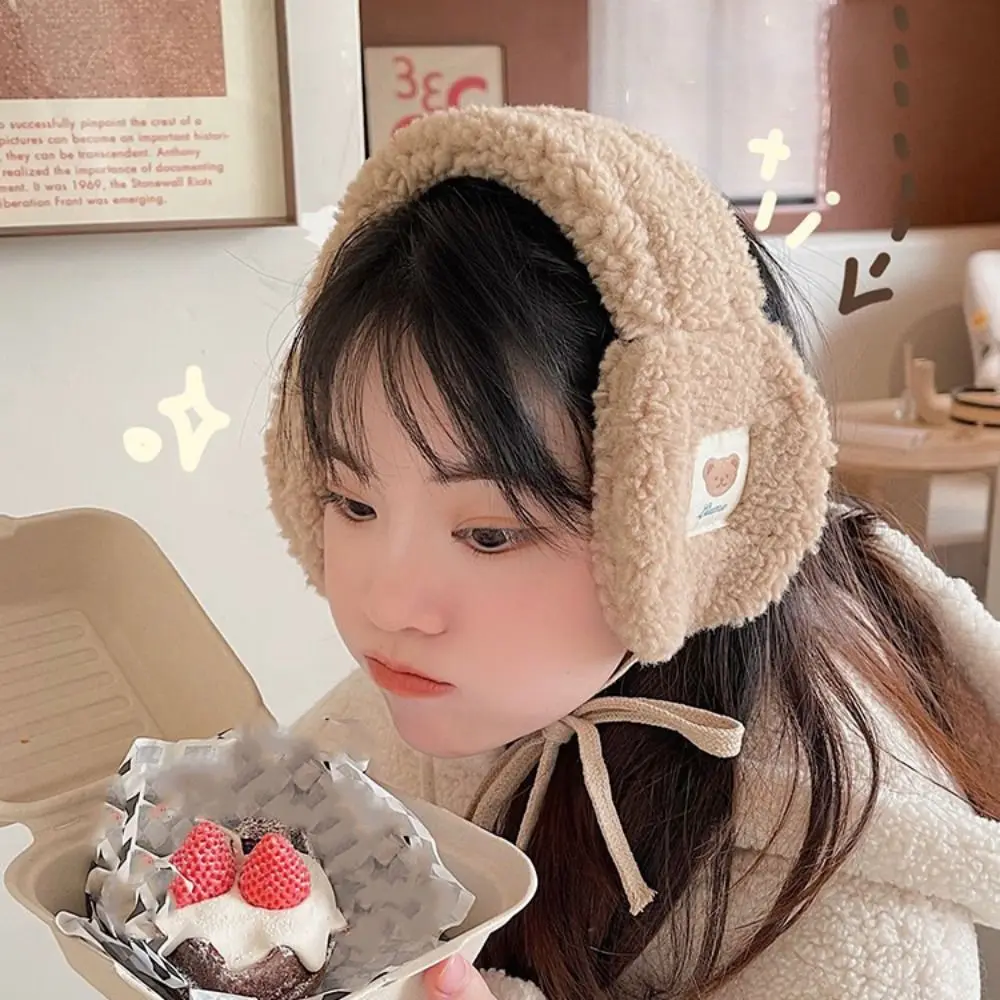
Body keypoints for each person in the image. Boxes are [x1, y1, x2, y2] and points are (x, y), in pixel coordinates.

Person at [264, 106, 1000, 1000]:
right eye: (352, 503)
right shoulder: (416, 700)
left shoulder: (844, 889)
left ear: (676, 521)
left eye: (489, 533)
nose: (387, 604)